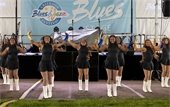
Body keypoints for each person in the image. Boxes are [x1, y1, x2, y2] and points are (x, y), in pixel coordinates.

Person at [27, 32, 65, 98]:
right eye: (45, 38)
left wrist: (66, 38)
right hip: (43, 63)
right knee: (45, 79)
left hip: (50, 63)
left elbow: (62, 43)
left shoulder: (53, 45)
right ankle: (45, 93)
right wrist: (29, 36)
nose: (47, 39)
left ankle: (50, 93)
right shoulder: (41, 45)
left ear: (50, 39)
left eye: (48, 38)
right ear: (44, 40)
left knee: (50, 79)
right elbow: (33, 42)